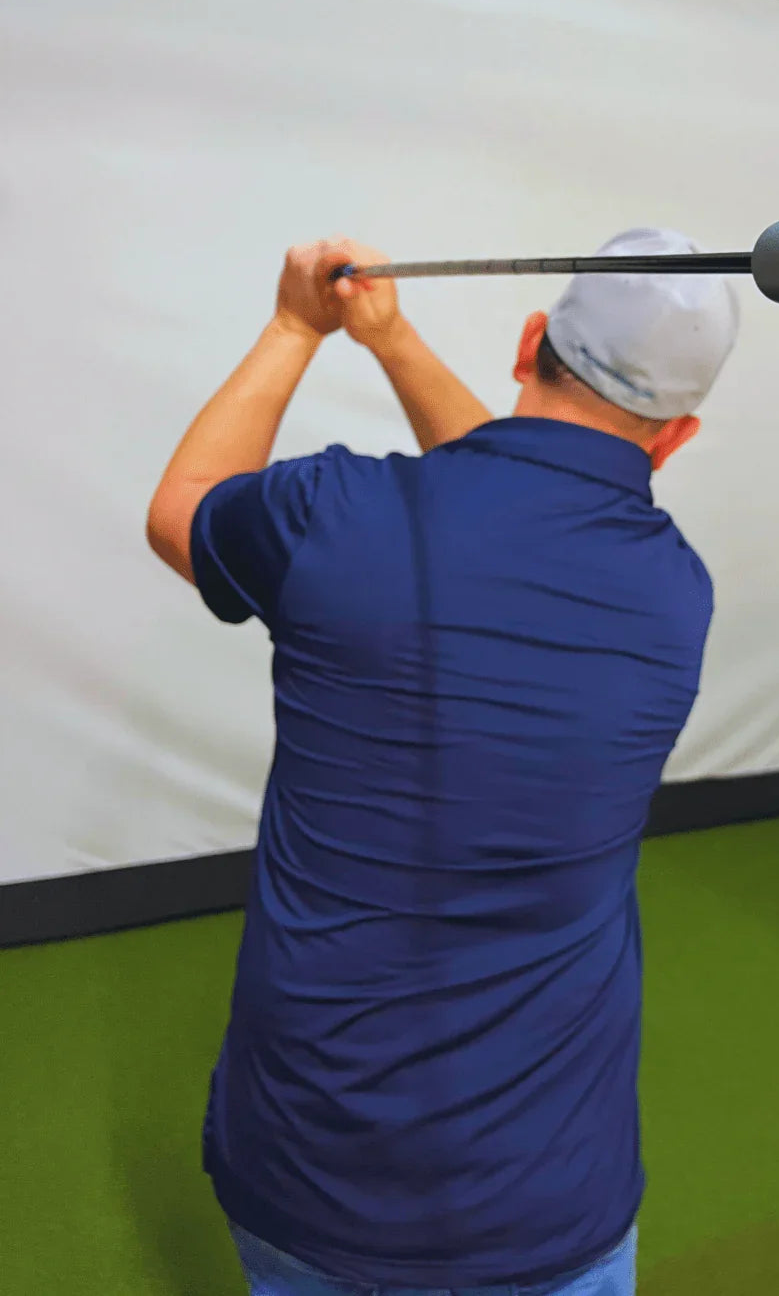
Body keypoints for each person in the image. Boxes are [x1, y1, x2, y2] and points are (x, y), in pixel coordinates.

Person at [146, 225, 739, 1296]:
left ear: (527, 342)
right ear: (679, 434)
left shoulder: (334, 515)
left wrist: (299, 327)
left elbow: (181, 509)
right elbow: (520, 502)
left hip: (309, 1178)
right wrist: (396, 341)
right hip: (551, 1203)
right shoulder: (674, 598)